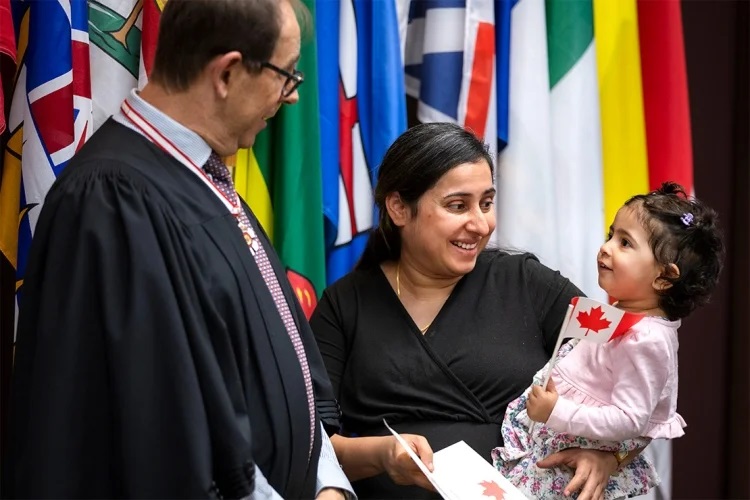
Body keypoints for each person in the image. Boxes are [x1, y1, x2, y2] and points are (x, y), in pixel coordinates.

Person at [6, 1, 353, 498]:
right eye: (285, 76)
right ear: (228, 73)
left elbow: (280, 358)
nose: (291, 97)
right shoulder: (112, 202)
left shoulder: (203, 178)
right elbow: (165, 437)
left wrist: (325, 481)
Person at [310, 122, 624, 499]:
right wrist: (383, 454)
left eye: (487, 203)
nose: (480, 224)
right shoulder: (344, 305)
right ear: (398, 208)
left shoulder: (529, 282)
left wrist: (611, 455)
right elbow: (310, 442)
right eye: (457, 206)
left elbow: (642, 364)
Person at [493, 182, 724, 499]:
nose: (607, 247)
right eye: (611, 235)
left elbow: (630, 420)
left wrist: (556, 411)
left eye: (625, 243)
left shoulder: (649, 339)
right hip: (555, 433)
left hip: (574, 450)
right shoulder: (629, 313)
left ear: (663, 277)